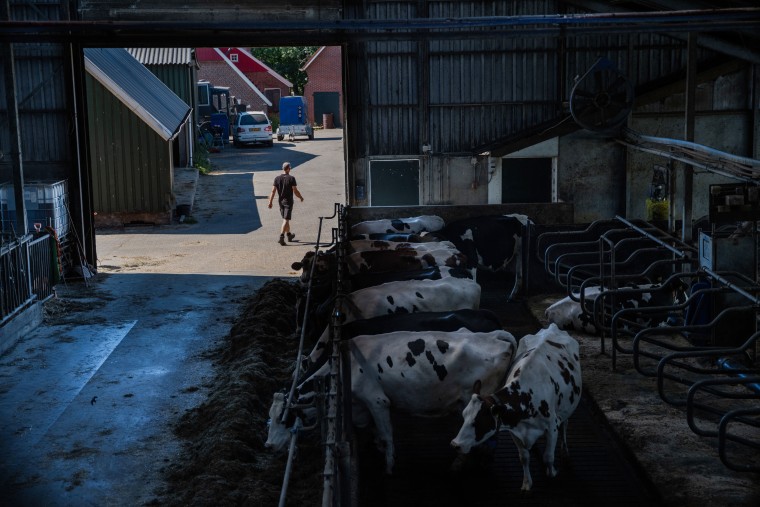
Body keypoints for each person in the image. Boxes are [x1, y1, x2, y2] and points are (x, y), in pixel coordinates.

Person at [268, 161, 304, 246]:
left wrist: (270, 202)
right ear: (289, 169)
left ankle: (289, 235)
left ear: (282, 168)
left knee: (285, 218)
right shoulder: (291, 178)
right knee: (285, 220)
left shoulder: (277, 178)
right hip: (288, 202)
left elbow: (273, 191)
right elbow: (295, 191)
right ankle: (281, 237)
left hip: (280, 202)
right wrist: (301, 197)